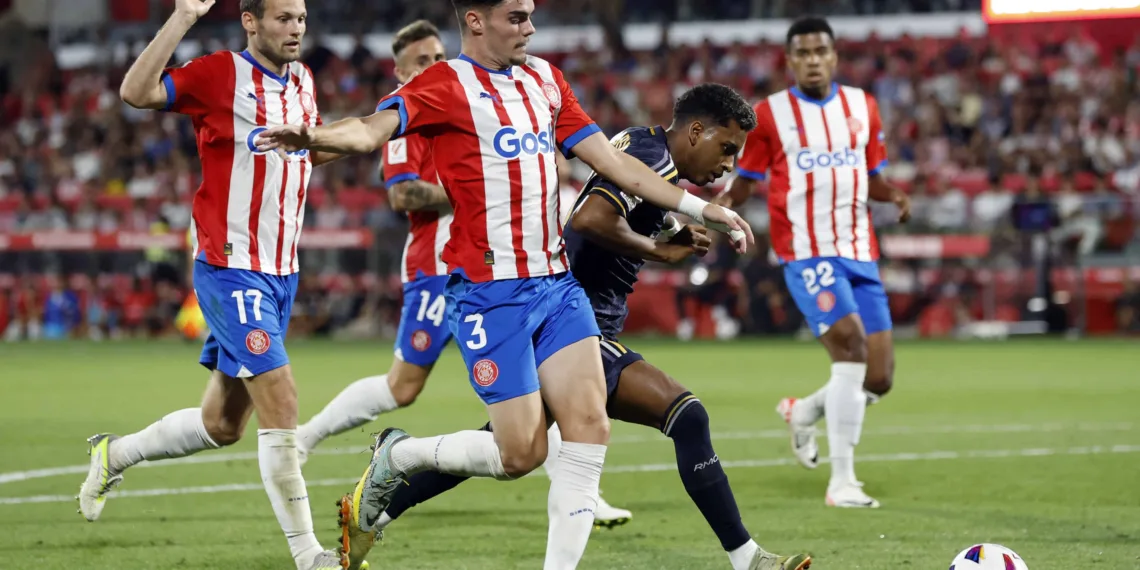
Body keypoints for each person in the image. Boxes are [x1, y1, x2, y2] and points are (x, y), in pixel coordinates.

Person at [256, 1, 754, 568]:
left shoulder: (545, 79)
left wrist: (706, 211)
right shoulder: (444, 84)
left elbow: (619, 169)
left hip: (557, 286)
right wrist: (315, 135)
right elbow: (372, 130)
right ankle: (401, 455)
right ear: (475, 19)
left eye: (530, 15)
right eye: (516, 16)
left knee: (589, 428)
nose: (530, 27)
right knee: (520, 452)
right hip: (490, 292)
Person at [343, 84, 813, 570]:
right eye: (727, 148)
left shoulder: (646, 144)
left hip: (574, 315)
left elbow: (628, 206)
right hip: (572, 320)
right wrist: (661, 249)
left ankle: (376, 502)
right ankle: (747, 558)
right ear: (697, 131)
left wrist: (670, 228)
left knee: (510, 448)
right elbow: (588, 218)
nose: (729, 165)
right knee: (686, 416)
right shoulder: (656, 163)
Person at [293, 18, 632, 527]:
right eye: (420, 62)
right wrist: (488, 188)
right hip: (442, 268)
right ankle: (311, 437)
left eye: (436, 56)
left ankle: (582, 487)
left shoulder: (491, 92)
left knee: (559, 390)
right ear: (401, 70)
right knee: (404, 387)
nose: (432, 66)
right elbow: (401, 193)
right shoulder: (413, 109)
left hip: (519, 267)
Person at [79, 1, 348, 568]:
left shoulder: (303, 79)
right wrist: (182, 18)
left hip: (282, 271)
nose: (296, 28)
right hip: (231, 267)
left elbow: (299, 156)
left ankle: (115, 454)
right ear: (251, 21)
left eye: (300, 17)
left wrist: (328, 142)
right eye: (283, 18)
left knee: (222, 425)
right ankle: (310, 556)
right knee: (282, 397)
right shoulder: (219, 73)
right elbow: (136, 91)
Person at [720, 16, 911, 509]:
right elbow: (746, 181)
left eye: (819, 51)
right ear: (789, 61)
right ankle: (842, 481)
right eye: (801, 53)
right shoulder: (769, 115)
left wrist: (894, 195)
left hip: (860, 250)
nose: (811, 60)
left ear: (833, 56)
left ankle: (804, 411)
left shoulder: (862, 106)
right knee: (849, 348)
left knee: (880, 377)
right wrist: (713, 211)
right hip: (805, 249)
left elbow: (871, 175)